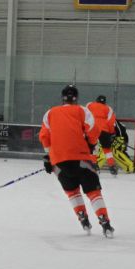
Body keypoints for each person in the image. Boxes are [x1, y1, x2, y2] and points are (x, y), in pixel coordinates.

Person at [39, 83, 114, 237]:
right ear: (76, 97)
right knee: (93, 191)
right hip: (81, 157)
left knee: (72, 191)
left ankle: (83, 219)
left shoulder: (50, 113)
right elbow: (93, 131)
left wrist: (48, 157)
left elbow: (44, 137)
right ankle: (104, 221)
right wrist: (91, 144)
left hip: (59, 161)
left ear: (62, 98)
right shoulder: (82, 110)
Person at [86, 93, 118, 174]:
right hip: (104, 130)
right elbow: (111, 122)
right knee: (107, 149)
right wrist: (111, 133)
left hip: (92, 129)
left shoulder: (89, 105)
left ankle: (93, 165)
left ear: (96, 100)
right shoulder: (108, 109)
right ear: (105, 102)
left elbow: (85, 116)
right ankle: (112, 166)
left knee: (92, 148)